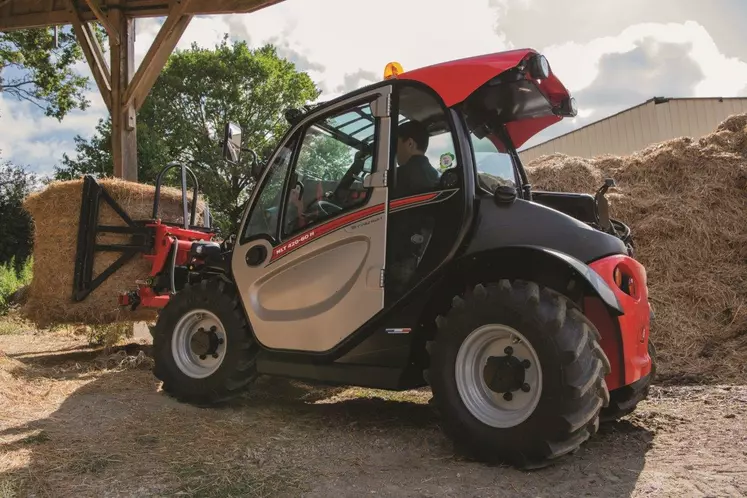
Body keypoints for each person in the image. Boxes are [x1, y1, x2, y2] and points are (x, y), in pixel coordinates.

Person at [391, 120, 440, 198]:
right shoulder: (435, 174)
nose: (394, 150)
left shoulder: (398, 176)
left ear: (410, 143)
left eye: (396, 144)